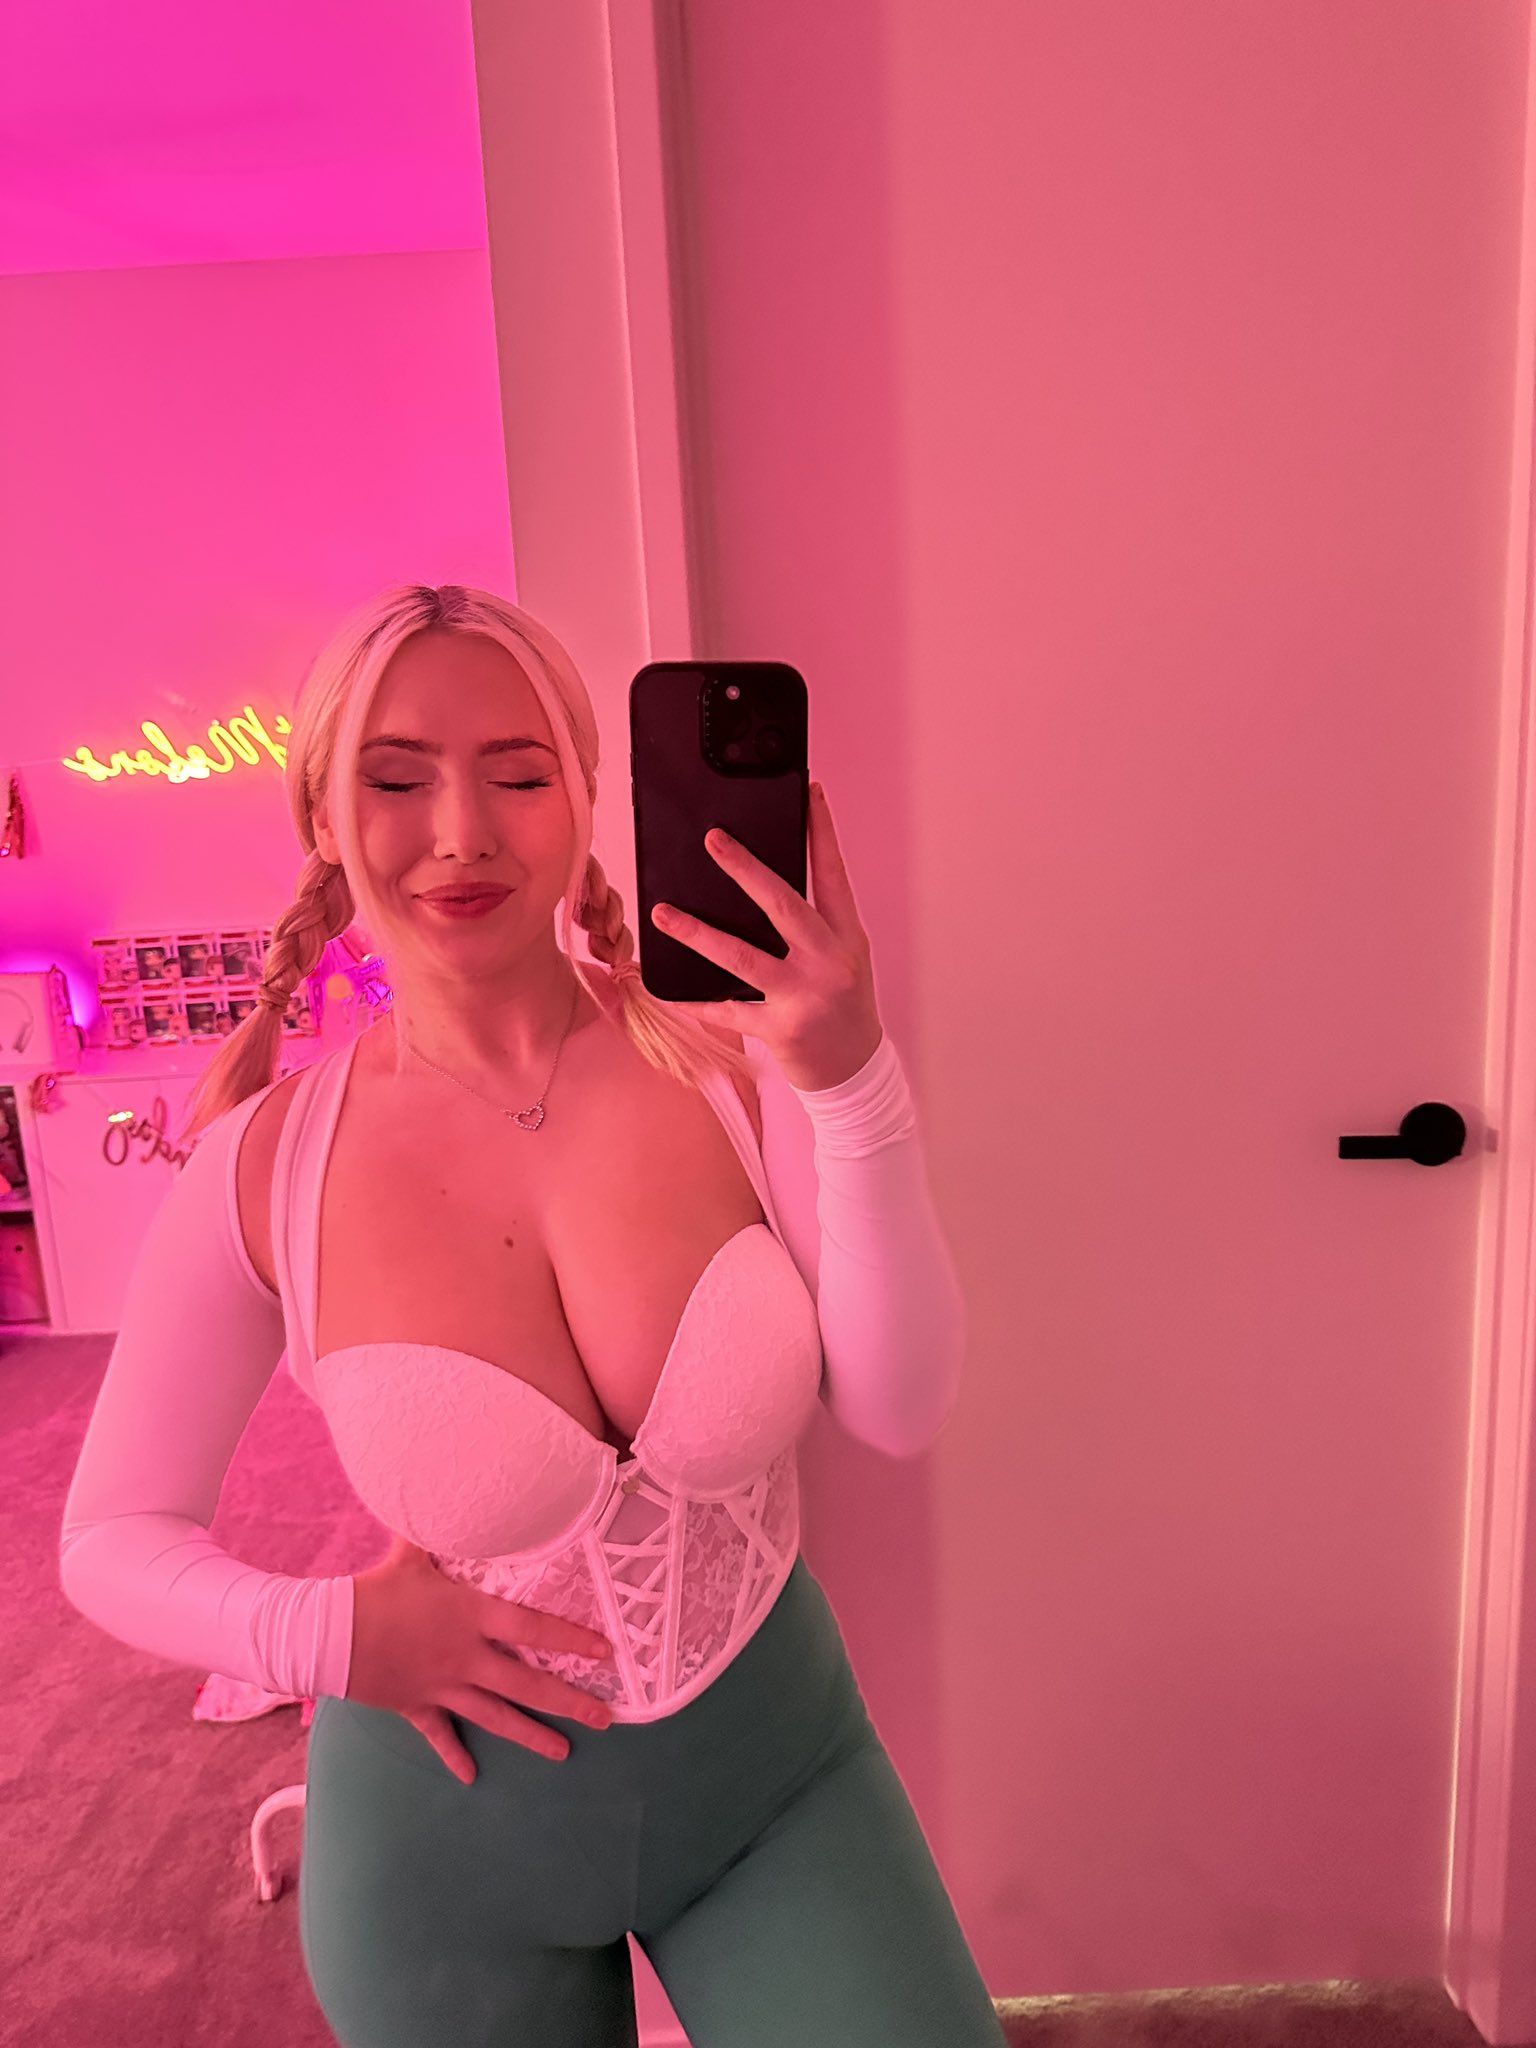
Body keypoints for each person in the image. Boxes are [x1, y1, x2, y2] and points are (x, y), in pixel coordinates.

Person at [59, 584, 1007, 2047]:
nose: (462, 834)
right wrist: (325, 1634)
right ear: (323, 817)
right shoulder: (266, 1167)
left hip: (780, 1783)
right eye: (396, 780)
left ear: (583, 799)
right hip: (444, 1858)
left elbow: (898, 1402)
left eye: (516, 775)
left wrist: (852, 1080)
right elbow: (110, 1537)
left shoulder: (731, 1065)